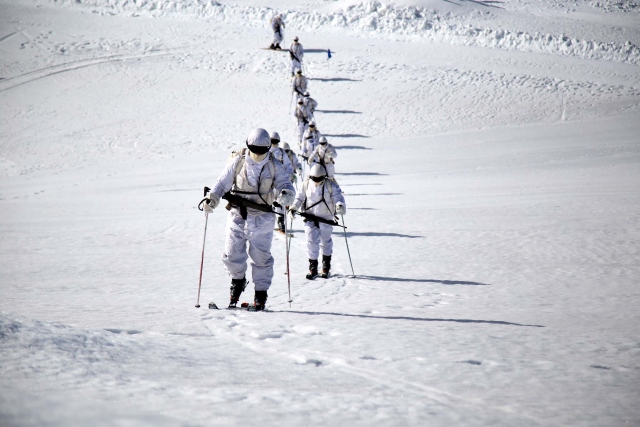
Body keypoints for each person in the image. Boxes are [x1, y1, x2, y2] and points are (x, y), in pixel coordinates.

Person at [203, 128, 295, 310]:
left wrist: (287, 194)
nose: (258, 153)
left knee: (261, 258)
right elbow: (222, 182)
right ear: (248, 146)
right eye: (254, 149)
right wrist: (212, 198)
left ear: (268, 148)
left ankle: (260, 294)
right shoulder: (238, 161)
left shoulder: (274, 165)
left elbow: (286, 185)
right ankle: (237, 282)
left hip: (262, 218)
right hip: (237, 215)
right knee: (231, 254)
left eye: (262, 150)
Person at [289, 164, 346, 279]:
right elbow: (299, 197)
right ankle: (313, 268)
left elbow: (338, 197)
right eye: (314, 178)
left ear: (324, 177)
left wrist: (340, 205)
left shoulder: (331, 185)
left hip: (326, 218)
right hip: (309, 217)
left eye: (319, 178)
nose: (316, 180)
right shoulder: (306, 184)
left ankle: (326, 267)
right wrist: (294, 207)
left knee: (325, 242)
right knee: (310, 241)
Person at [269, 131, 294, 233]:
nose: (274, 143)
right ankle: (268, 223)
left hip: (280, 180)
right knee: (269, 201)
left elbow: (288, 166)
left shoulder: (282, 152)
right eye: (272, 141)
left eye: (275, 141)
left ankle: (280, 221)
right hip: (268, 180)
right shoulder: (266, 150)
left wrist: (289, 175)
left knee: (281, 201)